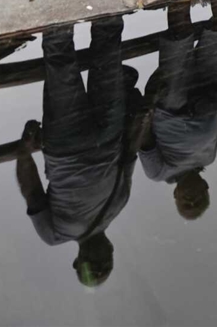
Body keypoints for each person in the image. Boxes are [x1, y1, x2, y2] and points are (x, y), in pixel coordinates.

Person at [15, 17, 145, 287]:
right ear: (111, 252)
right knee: (94, 56)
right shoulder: (116, 206)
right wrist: (25, 153)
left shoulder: (58, 233)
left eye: (93, 266)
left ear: (78, 261)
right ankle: (94, 6)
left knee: (81, 59)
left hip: (78, 142)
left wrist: (25, 152)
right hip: (85, 140)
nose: (98, 260)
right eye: (104, 264)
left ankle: (66, 8)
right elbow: (130, 152)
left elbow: (32, 191)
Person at [139, 0, 217, 219]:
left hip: (172, 105)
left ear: (176, 195)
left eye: (186, 202)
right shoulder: (209, 158)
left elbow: (145, 143)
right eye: (198, 200)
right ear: (206, 188)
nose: (191, 197)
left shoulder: (159, 173)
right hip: (207, 96)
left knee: (180, 34)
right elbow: (211, 129)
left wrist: (148, 112)